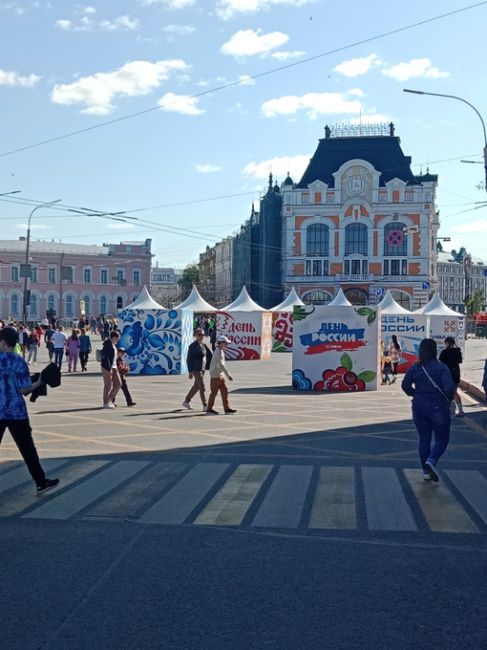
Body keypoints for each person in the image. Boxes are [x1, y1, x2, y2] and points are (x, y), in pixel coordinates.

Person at [0, 327, 59, 495]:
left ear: (3, 343)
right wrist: (39, 381)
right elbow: (24, 389)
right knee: (27, 449)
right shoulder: (19, 361)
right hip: (16, 413)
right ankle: (41, 483)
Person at [401, 338, 456, 482]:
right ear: (434, 351)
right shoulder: (441, 368)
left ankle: (425, 472)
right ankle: (431, 461)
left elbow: (405, 385)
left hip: (419, 407)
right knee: (442, 439)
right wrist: (448, 399)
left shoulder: (415, 367)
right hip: (438, 407)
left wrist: (415, 394)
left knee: (424, 439)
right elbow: (449, 387)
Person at [183, 328, 212, 411]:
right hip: (196, 369)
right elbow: (188, 359)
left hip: (202, 369)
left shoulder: (204, 345)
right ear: (195, 335)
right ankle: (205, 405)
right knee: (202, 387)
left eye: (202, 335)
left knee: (197, 386)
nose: (201, 336)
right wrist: (190, 371)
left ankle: (186, 401)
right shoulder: (192, 346)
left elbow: (209, 356)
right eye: (199, 335)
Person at [206, 335, 236, 415]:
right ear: (221, 343)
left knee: (224, 392)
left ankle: (227, 409)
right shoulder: (218, 352)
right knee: (214, 393)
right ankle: (209, 409)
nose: (227, 345)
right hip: (216, 375)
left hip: (219, 375)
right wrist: (228, 375)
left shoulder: (220, 350)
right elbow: (222, 365)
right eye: (225, 343)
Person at [439, 337, 464, 417]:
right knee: (454, 392)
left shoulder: (444, 352)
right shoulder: (457, 351)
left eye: (445, 343)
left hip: (447, 374)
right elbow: (460, 361)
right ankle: (460, 410)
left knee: (448, 392)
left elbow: (441, 362)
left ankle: (452, 409)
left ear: (447, 343)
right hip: (456, 373)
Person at [100, 330, 121, 409]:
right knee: (108, 385)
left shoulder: (113, 345)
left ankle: (110, 400)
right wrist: (109, 370)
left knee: (118, 384)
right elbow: (106, 359)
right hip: (107, 367)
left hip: (114, 366)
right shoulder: (107, 345)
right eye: (117, 339)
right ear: (113, 337)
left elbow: (113, 357)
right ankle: (105, 402)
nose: (117, 340)